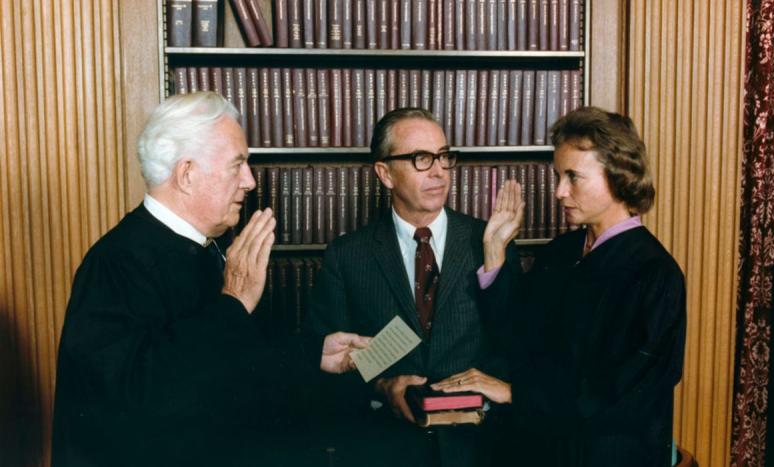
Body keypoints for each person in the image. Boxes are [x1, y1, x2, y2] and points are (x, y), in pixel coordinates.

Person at [51, 92, 370, 467]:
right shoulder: (116, 262)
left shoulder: (209, 249)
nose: (250, 181)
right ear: (187, 174)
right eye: (238, 165)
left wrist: (313, 355)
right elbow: (139, 405)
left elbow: (234, 372)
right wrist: (233, 302)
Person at [432, 106, 687, 466]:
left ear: (619, 175)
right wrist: (494, 253)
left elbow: (625, 395)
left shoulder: (655, 274)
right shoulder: (560, 253)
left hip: (606, 453)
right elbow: (516, 338)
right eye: (557, 176)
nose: (559, 192)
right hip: (544, 439)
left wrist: (516, 394)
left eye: (573, 177)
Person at [305, 107, 519, 467]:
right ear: (385, 173)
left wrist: (495, 262)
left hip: (478, 450)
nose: (438, 172)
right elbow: (324, 370)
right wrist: (382, 389)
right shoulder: (347, 256)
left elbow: (517, 346)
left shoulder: (491, 241)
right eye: (421, 159)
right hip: (386, 450)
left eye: (444, 157)